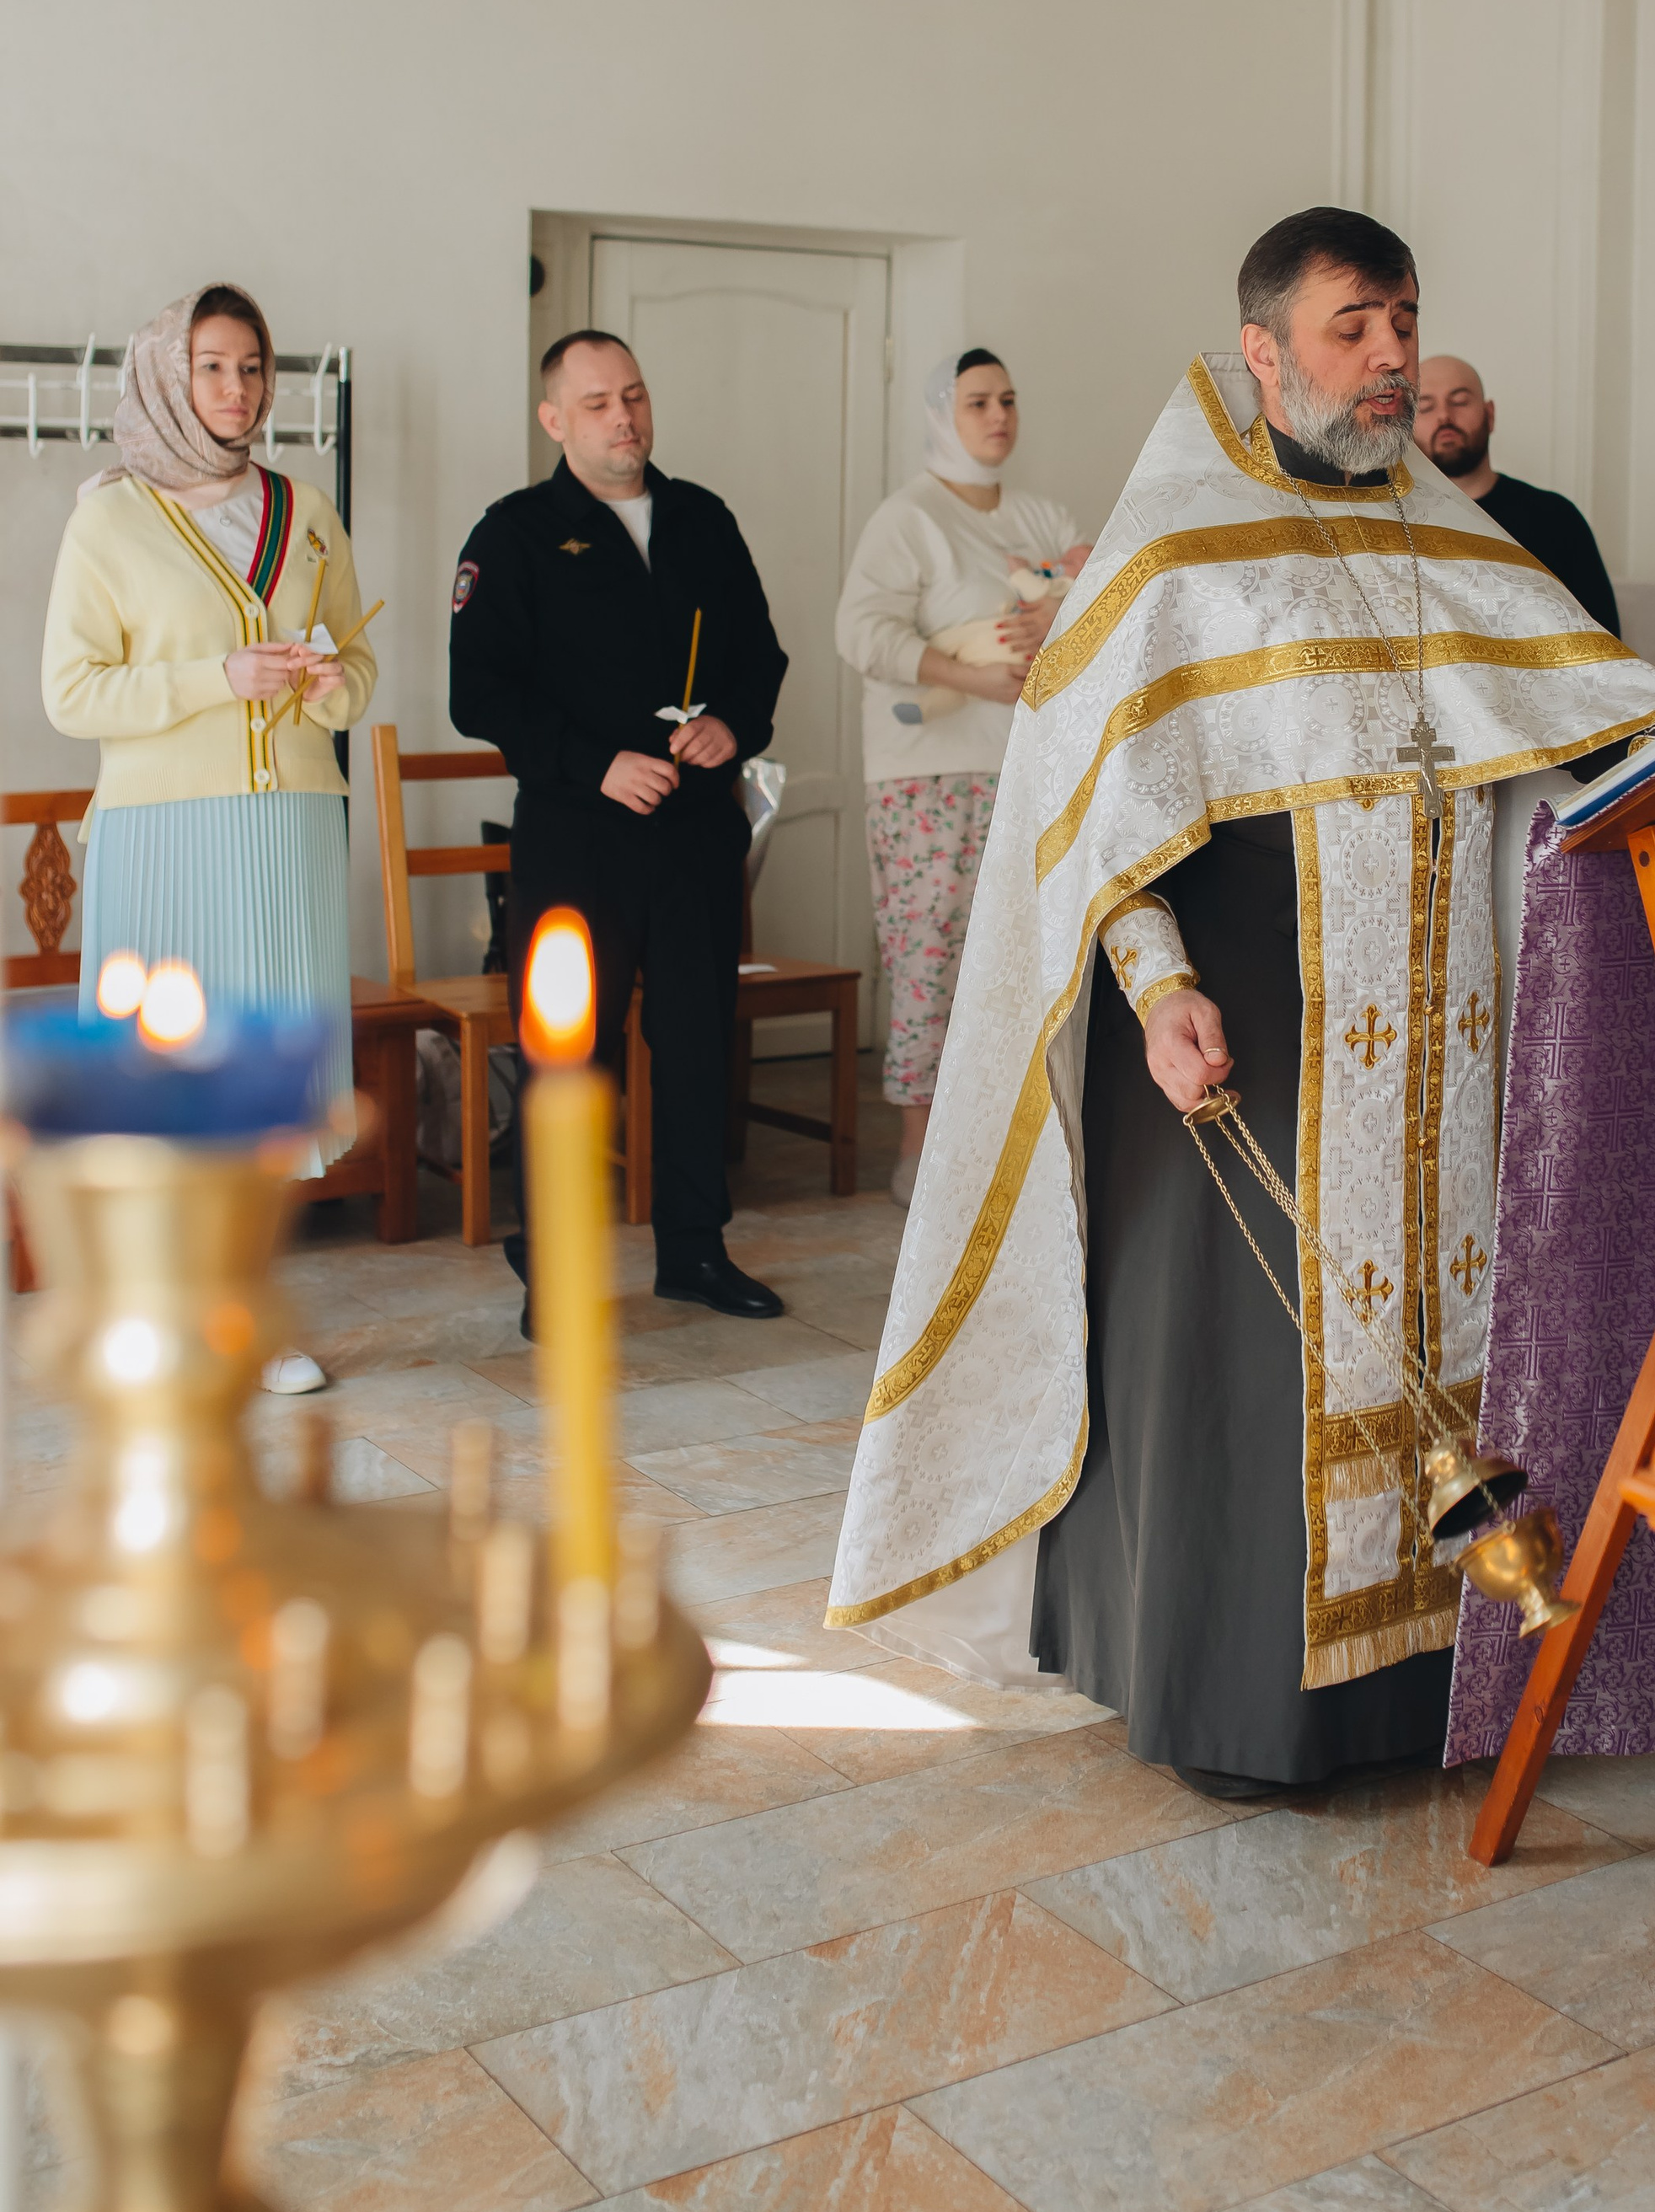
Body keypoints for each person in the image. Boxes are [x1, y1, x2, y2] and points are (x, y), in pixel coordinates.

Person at [828, 207, 1655, 1797]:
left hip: (1442, 1040)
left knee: (1451, 1343)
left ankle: (1443, 1678)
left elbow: (1582, 739)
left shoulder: (1451, 539)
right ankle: (1245, 1707)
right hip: (1245, 1038)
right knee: (1249, 1372)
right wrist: (1155, 994)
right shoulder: (1170, 552)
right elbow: (1085, 825)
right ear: (1264, 348)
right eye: (1354, 326)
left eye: (1403, 322)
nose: (1389, 359)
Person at [42, 282, 378, 1395]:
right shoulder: (112, 515)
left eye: (251, 367)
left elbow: (359, 671)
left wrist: (330, 683)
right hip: (164, 836)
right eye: (211, 367)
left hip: (289, 830)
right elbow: (71, 692)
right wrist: (216, 679)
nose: (237, 391)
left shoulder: (306, 508)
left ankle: (247, 1314)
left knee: (271, 1085)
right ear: (165, 375)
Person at [448, 330, 789, 1330]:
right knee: (571, 1055)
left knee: (693, 1045)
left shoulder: (702, 520)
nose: (623, 418)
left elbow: (760, 660)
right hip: (575, 837)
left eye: (633, 395)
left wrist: (735, 723)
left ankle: (693, 1251)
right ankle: (552, 1267)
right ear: (555, 421)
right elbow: (480, 695)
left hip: (692, 836)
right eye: (596, 403)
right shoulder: (513, 533)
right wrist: (593, 765)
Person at [834, 351, 1088, 1208]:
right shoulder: (908, 518)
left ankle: (1010, 1151)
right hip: (930, 776)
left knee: (1025, 957)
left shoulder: (1045, 514)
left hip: (1028, 766)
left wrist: (1066, 612)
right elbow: (860, 632)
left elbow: (1101, 610)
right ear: (941, 414)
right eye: (978, 401)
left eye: (1009, 399)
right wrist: (971, 675)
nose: (999, 416)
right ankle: (920, 1152)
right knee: (932, 957)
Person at [1415, 354, 1620, 638]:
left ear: (1490, 415)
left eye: (1460, 401)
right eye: (1425, 407)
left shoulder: (1557, 519)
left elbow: (1607, 644)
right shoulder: (1397, 525)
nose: (1445, 417)